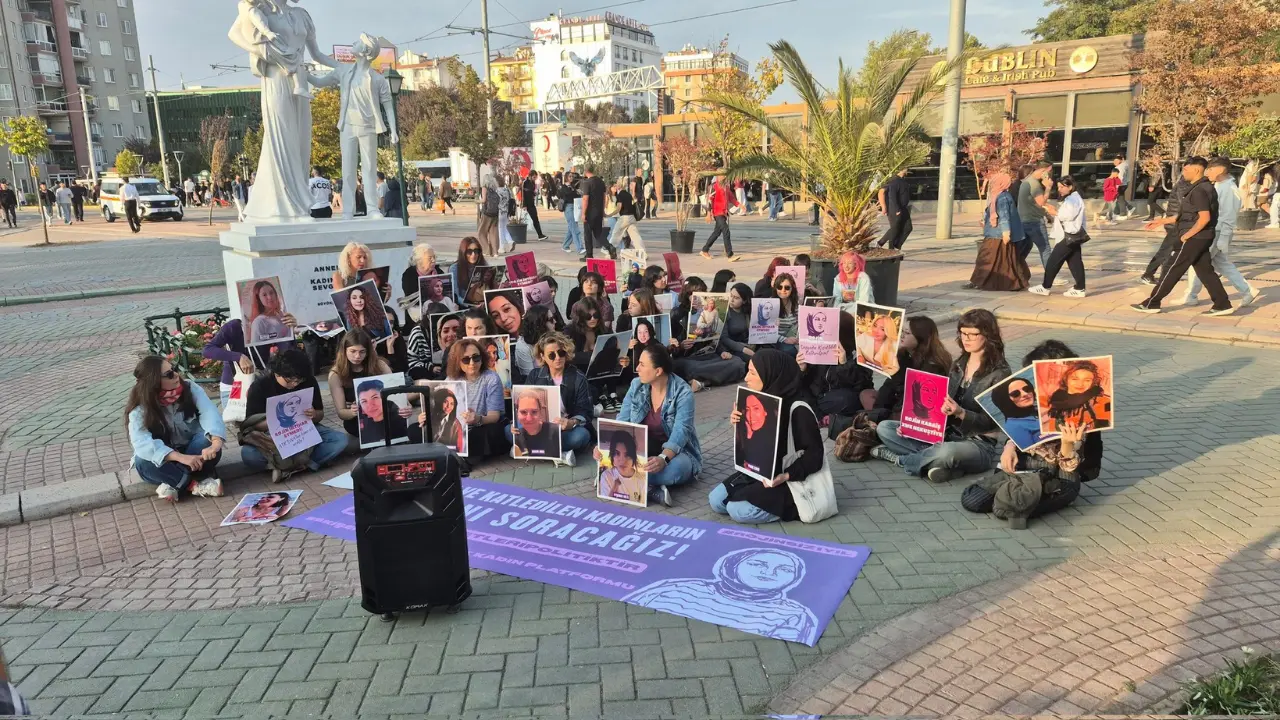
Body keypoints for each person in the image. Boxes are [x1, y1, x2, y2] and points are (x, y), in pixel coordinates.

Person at [962, 339, 1103, 527]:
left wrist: (1067, 444)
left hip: (1058, 477)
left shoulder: (1080, 410)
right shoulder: (1028, 404)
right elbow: (1015, 432)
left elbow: (1070, 467)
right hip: (1023, 469)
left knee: (1018, 503)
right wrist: (1009, 447)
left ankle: (1015, 503)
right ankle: (1014, 501)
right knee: (972, 499)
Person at [871, 308, 1011, 483]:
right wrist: (914, 425)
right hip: (944, 434)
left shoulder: (1000, 373)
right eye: (962, 333)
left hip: (977, 443)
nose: (966, 339)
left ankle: (902, 460)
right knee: (886, 428)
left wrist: (961, 413)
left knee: (947, 452)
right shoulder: (959, 364)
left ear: (988, 335)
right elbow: (939, 405)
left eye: (973, 334)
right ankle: (944, 466)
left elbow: (993, 422)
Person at [712, 349, 826, 524]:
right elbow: (753, 448)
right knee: (716, 501)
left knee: (738, 510)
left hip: (789, 478)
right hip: (760, 473)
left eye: (752, 373)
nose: (746, 378)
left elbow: (815, 456)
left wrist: (785, 476)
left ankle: (793, 507)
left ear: (770, 374)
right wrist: (739, 426)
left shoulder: (799, 410)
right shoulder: (759, 400)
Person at [1132, 157, 1235, 317]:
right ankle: (1222, 304)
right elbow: (1187, 215)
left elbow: (1204, 218)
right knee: (1205, 271)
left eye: (1186, 169)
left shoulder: (1200, 190)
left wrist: (1187, 235)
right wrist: (1162, 221)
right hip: (1201, 236)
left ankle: (1152, 302)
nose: (1183, 172)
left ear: (1196, 170)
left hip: (1194, 237)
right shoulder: (1201, 188)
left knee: (1173, 268)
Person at [126, 356, 227, 502]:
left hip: (194, 452)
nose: (176, 375)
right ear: (154, 381)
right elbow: (141, 442)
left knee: (206, 441)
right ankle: (195, 485)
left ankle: (173, 482)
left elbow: (209, 413)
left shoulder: (190, 388)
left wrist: (216, 443)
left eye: (173, 369)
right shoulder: (140, 408)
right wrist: (181, 458)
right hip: (168, 460)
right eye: (169, 374)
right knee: (142, 462)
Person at [612, 343, 702, 506]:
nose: (637, 369)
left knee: (675, 470)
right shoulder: (636, 385)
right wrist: (604, 448)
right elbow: (622, 421)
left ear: (658, 371)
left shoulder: (683, 392)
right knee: (608, 458)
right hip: (642, 448)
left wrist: (663, 459)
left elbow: (681, 431)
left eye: (642, 364)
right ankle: (651, 489)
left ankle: (622, 479)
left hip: (676, 452)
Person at [242, 350, 350, 481]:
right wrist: (275, 422)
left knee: (340, 440)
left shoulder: (308, 380)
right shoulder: (260, 385)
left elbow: (320, 414)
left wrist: (314, 414)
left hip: (303, 431)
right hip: (272, 437)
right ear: (277, 373)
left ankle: (288, 468)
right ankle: (302, 464)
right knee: (249, 455)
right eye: (289, 381)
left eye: (299, 380)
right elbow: (252, 424)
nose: (294, 384)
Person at [1180, 157, 1259, 308]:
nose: (1207, 173)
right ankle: (1247, 290)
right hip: (1214, 231)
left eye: (1210, 169)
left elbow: (1228, 216)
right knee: (1222, 264)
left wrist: (1223, 237)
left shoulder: (1229, 189)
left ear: (1220, 170)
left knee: (1196, 261)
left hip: (1217, 232)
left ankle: (1191, 295)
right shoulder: (1219, 186)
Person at [524, 332, 595, 462]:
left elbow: (586, 412)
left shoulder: (578, 377)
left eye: (561, 353)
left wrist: (571, 423)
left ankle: (534, 449)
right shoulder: (534, 376)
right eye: (551, 355)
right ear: (542, 356)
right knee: (508, 430)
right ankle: (560, 454)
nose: (557, 358)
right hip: (539, 429)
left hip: (566, 430)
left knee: (580, 436)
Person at [871, 315, 952, 421]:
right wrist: (876, 411)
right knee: (867, 395)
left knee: (880, 419)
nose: (902, 335)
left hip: (914, 413)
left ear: (921, 337)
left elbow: (913, 397)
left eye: (907, 333)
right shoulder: (904, 354)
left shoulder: (932, 365)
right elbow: (889, 385)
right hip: (898, 402)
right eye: (902, 331)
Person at [796, 311, 874, 419]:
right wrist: (802, 369)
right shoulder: (817, 347)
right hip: (819, 397)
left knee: (845, 399)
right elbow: (805, 383)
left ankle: (819, 414)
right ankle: (818, 414)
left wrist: (844, 364)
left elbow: (862, 386)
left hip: (839, 398)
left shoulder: (859, 352)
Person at [203, 317, 295, 407]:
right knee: (235, 415)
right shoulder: (234, 326)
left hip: (261, 384)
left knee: (263, 416)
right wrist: (238, 357)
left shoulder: (270, 325)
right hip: (234, 385)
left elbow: (287, 354)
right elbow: (208, 350)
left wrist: (289, 331)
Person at [446, 337, 510, 467]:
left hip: (481, 424)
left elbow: (494, 416)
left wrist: (477, 419)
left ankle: (462, 456)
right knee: (415, 429)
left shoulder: (491, 378)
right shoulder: (451, 379)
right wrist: (427, 418)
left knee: (491, 431)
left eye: (476, 358)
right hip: (457, 428)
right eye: (466, 359)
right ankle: (466, 455)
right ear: (457, 361)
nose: (472, 363)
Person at [967, 171, 1030, 291]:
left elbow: (1004, 216)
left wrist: (1006, 232)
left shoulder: (1003, 197)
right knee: (1000, 259)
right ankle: (988, 282)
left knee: (987, 259)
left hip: (998, 234)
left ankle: (985, 282)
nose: (992, 185)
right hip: (995, 233)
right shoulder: (998, 195)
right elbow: (994, 213)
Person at [1029, 175, 1088, 298]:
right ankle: (1080, 288)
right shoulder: (1073, 198)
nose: (1059, 189)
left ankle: (1045, 287)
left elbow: (1069, 215)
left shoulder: (1073, 199)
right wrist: (1055, 210)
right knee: (1075, 262)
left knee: (1053, 261)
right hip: (1072, 235)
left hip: (1070, 235)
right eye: (1058, 187)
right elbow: (1067, 213)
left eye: (1062, 187)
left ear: (1070, 187)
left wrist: (1054, 212)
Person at [328, 329, 393, 437]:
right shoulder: (336, 374)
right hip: (357, 421)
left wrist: (405, 406)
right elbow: (341, 412)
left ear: (368, 351)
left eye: (362, 352)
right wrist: (352, 412)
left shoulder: (379, 365)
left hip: (384, 413)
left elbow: (396, 390)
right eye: (353, 351)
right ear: (344, 350)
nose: (357, 356)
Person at [1139, 171, 1190, 286]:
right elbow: (1184, 206)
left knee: (1170, 251)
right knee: (1166, 251)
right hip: (1175, 223)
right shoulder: (1184, 185)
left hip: (1176, 222)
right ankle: (1149, 275)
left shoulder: (1184, 184)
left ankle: (1162, 275)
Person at [1044, 359, 1113, 432]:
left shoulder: (1101, 401)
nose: (1080, 384)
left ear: (1093, 382)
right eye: (1075, 379)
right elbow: (1052, 429)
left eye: (1087, 380)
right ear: (1066, 380)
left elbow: (1104, 430)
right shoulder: (1056, 399)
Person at [1016, 161, 1053, 268]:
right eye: (1049, 172)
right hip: (1034, 222)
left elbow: (1033, 204)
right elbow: (1041, 203)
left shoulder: (1027, 181)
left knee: (1023, 248)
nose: (1050, 175)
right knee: (1045, 249)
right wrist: (1048, 188)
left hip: (1023, 221)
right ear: (1043, 171)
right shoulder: (1034, 184)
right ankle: (1050, 275)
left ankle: (1014, 271)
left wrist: (1047, 214)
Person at [356, 378, 410, 445]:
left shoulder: (398, 417)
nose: (370, 405)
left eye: (375, 397)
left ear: (384, 397)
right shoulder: (363, 424)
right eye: (364, 401)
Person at [700, 174, 740, 262]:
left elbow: (731, 198)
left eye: (725, 175)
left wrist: (740, 205)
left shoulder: (726, 187)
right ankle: (730, 255)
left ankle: (705, 250)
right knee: (726, 231)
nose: (723, 177)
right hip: (717, 212)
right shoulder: (714, 186)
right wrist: (708, 213)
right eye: (721, 175)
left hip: (724, 213)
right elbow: (709, 200)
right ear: (717, 176)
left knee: (716, 233)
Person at [580, 167, 615, 260]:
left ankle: (589, 255)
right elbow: (604, 197)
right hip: (598, 211)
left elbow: (585, 199)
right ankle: (610, 247)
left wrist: (583, 213)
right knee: (598, 234)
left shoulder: (587, 183)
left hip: (590, 212)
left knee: (588, 234)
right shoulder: (600, 182)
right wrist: (602, 210)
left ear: (586, 171)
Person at [599, 430, 644, 500]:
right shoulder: (606, 476)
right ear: (612, 456)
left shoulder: (642, 480)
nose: (622, 460)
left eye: (627, 454)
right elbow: (605, 503)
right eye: (617, 453)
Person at [877, 169, 913, 249]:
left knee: (908, 228)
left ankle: (896, 245)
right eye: (906, 168)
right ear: (901, 170)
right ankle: (887, 246)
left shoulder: (902, 180)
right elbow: (882, 192)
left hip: (903, 208)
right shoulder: (893, 180)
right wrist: (884, 207)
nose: (907, 169)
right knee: (895, 229)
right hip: (894, 208)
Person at [773, 272, 800, 356]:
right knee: (791, 351)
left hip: (794, 337)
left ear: (792, 289)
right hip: (777, 340)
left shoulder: (796, 303)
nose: (783, 290)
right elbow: (765, 331)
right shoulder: (770, 305)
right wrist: (784, 339)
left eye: (787, 287)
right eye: (779, 287)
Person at [558, 171, 584, 256]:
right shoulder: (563, 187)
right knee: (574, 227)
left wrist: (577, 192)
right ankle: (580, 248)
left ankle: (565, 245)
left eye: (572, 176)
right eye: (569, 176)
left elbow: (576, 195)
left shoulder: (573, 186)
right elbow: (568, 194)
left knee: (571, 227)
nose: (571, 178)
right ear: (566, 177)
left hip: (575, 206)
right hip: (568, 207)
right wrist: (576, 192)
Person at [477, 178, 501, 257]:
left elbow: (484, 200)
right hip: (495, 213)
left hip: (487, 213)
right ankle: (495, 252)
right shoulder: (495, 189)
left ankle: (487, 251)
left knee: (481, 232)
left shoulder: (484, 188)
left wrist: (477, 201)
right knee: (493, 233)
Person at [521, 171, 547, 240]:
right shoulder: (525, 183)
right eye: (534, 177)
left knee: (535, 219)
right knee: (529, 220)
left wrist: (534, 193)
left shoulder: (533, 182)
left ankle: (540, 235)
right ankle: (539, 235)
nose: (535, 179)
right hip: (527, 204)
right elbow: (523, 194)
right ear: (530, 176)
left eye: (536, 177)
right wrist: (524, 205)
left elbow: (531, 192)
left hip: (532, 203)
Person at [495, 175, 514, 253]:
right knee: (504, 228)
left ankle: (501, 247)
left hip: (498, 211)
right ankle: (510, 241)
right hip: (506, 211)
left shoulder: (496, 191)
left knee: (500, 229)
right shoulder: (507, 190)